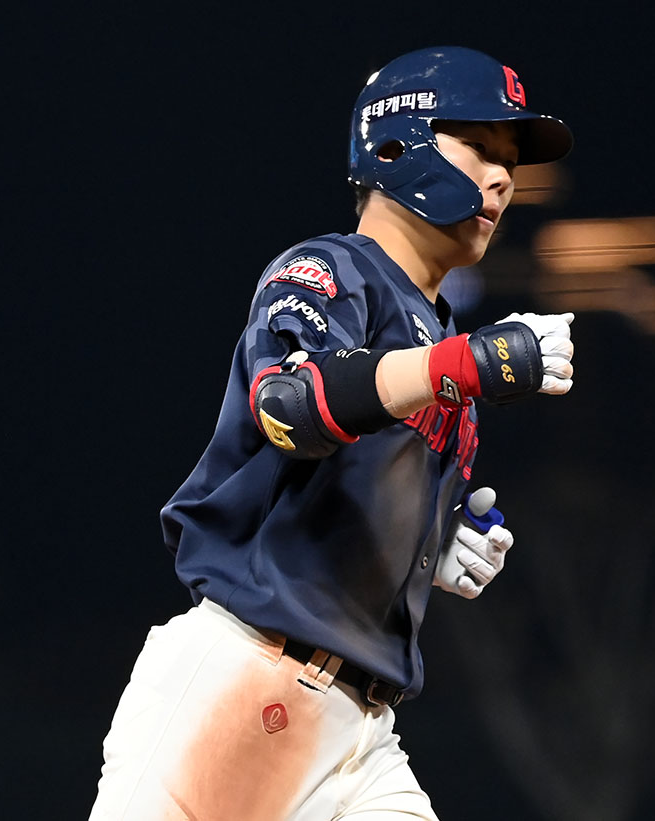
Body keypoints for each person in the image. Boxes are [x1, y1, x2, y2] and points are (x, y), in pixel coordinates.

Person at [89, 46, 575, 820]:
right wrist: (464, 364)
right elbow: (290, 406)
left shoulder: (441, 341)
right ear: (397, 142)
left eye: (511, 162)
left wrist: (434, 541)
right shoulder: (329, 269)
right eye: (481, 146)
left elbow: (349, 484)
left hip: (365, 729)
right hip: (247, 678)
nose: (502, 178)